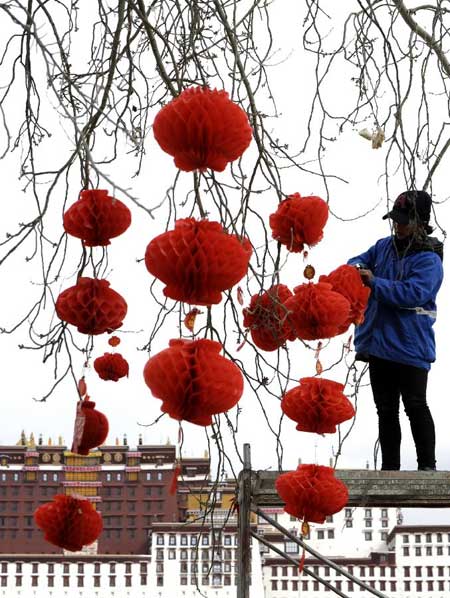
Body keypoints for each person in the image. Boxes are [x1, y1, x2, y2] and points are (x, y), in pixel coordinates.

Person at [348, 190, 444, 471]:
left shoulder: (429, 261)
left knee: (415, 405)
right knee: (386, 411)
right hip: (379, 346)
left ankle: (427, 466)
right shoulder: (384, 246)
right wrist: (357, 269)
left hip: (411, 346)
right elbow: (357, 260)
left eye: (403, 220)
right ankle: (390, 467)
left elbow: (412, 293)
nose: (397, 225)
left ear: (420, 222)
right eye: (395, 219)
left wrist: (374, 282)